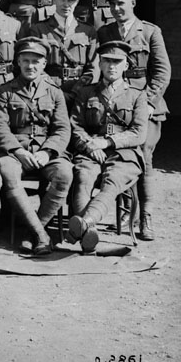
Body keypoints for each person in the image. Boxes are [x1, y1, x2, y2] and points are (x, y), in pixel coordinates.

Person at [97, 0, 171, 241]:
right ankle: (128, 212)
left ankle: (146, 217)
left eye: (121, 2)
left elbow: (162, 72)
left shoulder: (150, 32)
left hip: (147, 106)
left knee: (143, 155)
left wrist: (149, 103)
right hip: (117, 108)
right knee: (120, 156)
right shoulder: (105, 32)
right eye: (112, 3)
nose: (117, 8)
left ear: (133, 3)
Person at [0, 37, 72, 255]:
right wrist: (17, 151)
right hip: (15, 152)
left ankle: (31, 232)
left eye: (36, 61)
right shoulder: (5, 91)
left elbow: (63, 129)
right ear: (18, 61)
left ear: (44, 63)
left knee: (64, 174)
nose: (30, 66)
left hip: (46, 151)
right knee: (9, 174)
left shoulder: (55, 92)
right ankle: (42, 236)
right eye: (26, 60)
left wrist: (47, 151)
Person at [67, 41, 149, 252]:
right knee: (83, 176)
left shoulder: (137, 95)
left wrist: (108, 142)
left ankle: (85, 223)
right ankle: (88, 235)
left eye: (117, 62)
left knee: (112, 181)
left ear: (126, 65)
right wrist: (90, 147)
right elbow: (75, 126)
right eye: (107, 61)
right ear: (100, 64)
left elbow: (138, 132)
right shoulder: (86, 93)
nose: (112, 66)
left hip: (125, 154)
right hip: (91, 150)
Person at [28, 0, 97, 101]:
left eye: (71, 0)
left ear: (77, 1)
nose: (66, 4)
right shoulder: (39, 29)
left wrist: (77, 91)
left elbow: (93, 68)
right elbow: (34, 64)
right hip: (47, 92)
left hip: (80, 93)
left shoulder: (87, 31)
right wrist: (54, 91)